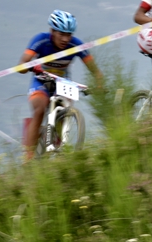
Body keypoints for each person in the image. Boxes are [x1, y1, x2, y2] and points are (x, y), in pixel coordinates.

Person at [17, 10, 102, 159]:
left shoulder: (76, 44)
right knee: (40, 109)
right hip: (41, 82)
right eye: (61, 34)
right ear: (52, 31)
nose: (65, 39)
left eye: (69, 35)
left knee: (64, 111)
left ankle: (57, 146)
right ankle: (28, 155)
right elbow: (21, 65)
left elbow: (95, 71)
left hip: (62, 82)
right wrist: (30, 66)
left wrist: (99, 85)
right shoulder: (41, 40)